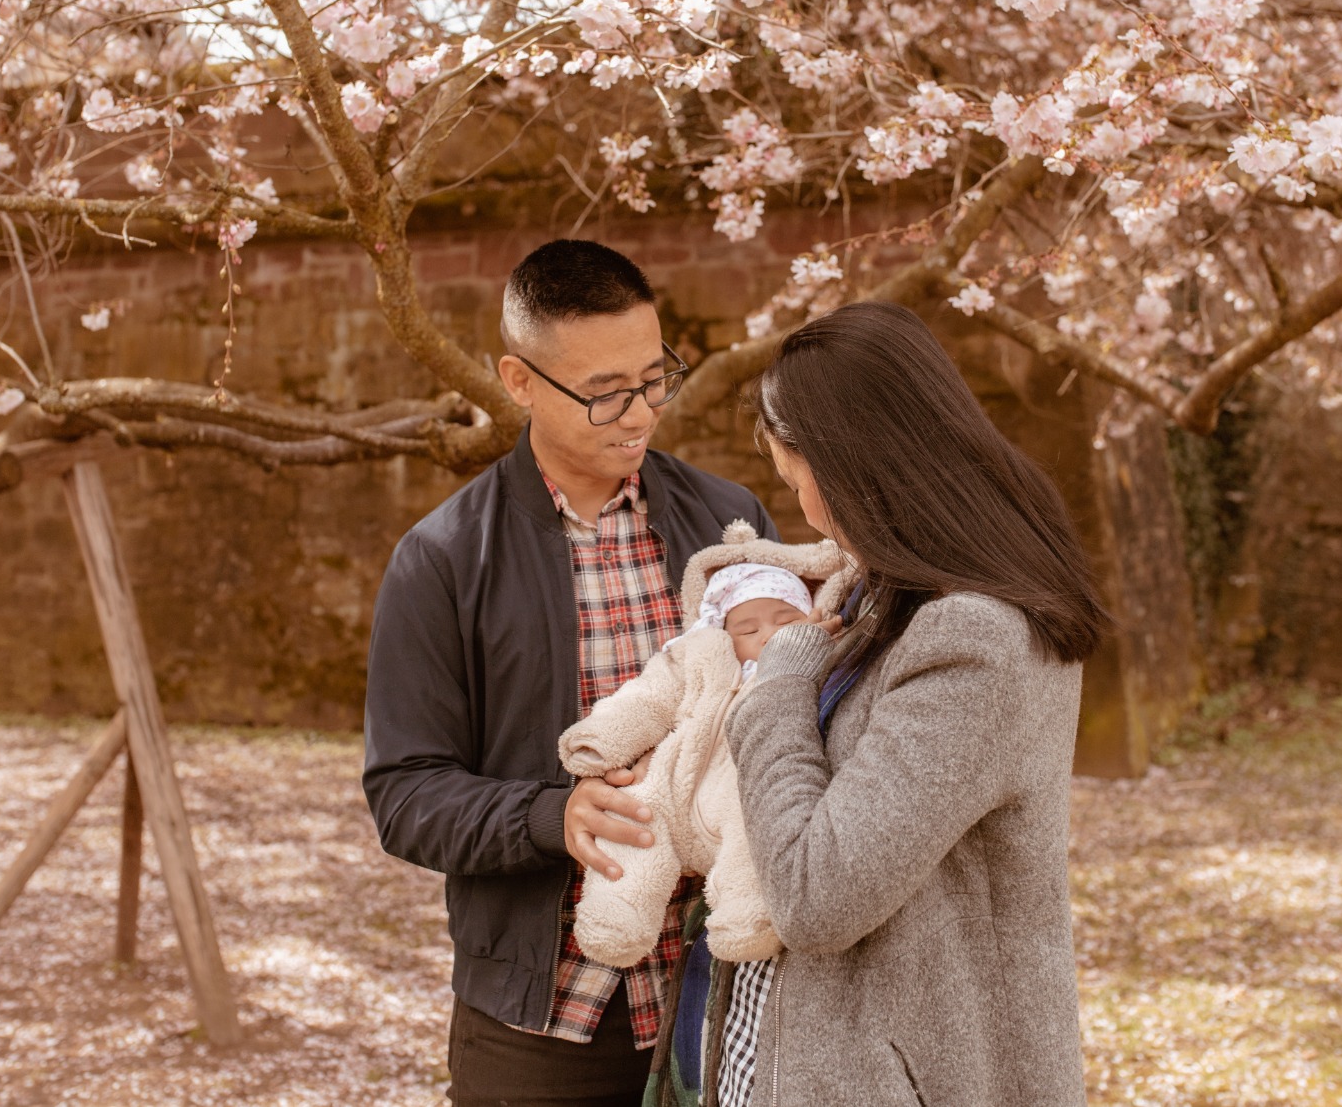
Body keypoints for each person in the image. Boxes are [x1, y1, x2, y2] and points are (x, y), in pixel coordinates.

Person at [648, 300, 1107, 1107]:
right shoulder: (884, 597)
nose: (805, 510)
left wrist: (776, 684)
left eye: (799, 481)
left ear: (848, 468)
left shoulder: (973, 640)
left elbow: (817, 896)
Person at [362, 239, 775, 1107]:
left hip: (723, 997)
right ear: (518, 381)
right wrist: (551, 815)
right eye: (604, 392)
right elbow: (405, 792)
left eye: (654, 377)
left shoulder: (729, 520)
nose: (639, 413)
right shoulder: (442, 560)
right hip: (543, 1023)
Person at [556, 529, 856, 971]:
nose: (769, 635)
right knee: (633, 813)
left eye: (787, 620)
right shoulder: (698, 657)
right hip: (674, 783)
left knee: (755, 831)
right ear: (721, 631)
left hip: (742, 790)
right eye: (749, 628)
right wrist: (598, 741)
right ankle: (617, 914)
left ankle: (746, 919)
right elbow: (649, 697)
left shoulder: (810, 668)